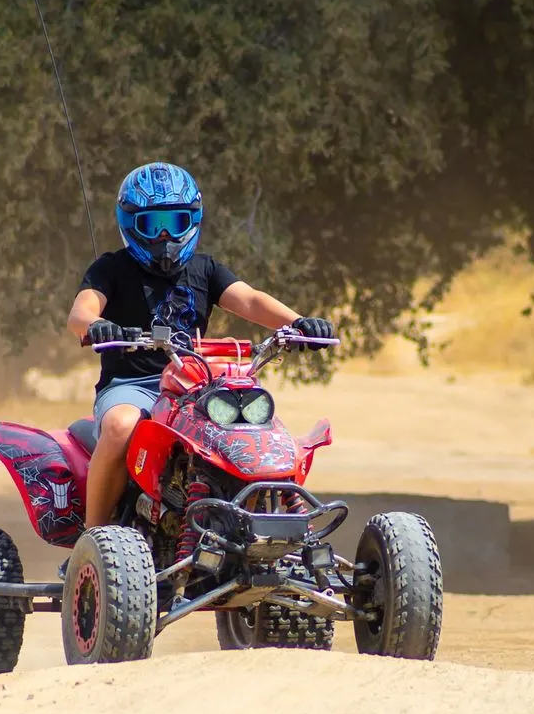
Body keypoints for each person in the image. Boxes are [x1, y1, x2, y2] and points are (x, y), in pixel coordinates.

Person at [66, 161, 333, 530]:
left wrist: (299, 323)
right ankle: (92, 537)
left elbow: (251, 301)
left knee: (260, 432)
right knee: (119, 426)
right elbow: (81, 312)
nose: (163, 236)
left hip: (195, 386)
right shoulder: (111, 268)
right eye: (151, 224)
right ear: (130, 224)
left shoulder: (205, 269)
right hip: (133, 387)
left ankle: (273, 533)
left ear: (192, 220)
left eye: (174, 223)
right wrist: (98, 326)